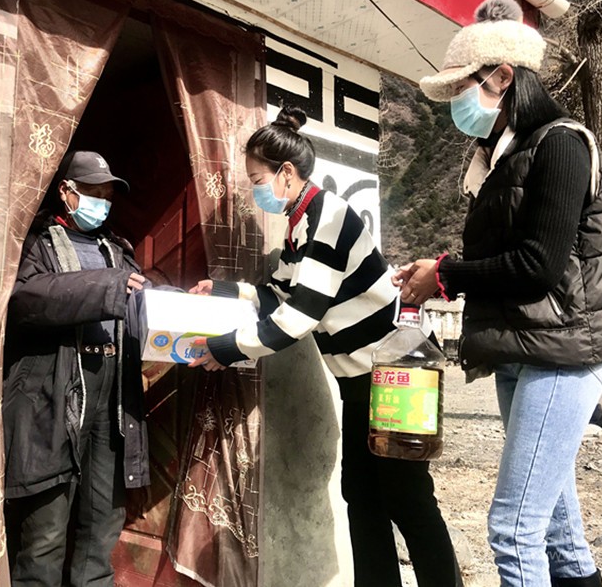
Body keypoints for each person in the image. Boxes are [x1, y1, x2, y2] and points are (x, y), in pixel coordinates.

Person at [393, 0, 602, 587]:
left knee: (513, 528)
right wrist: (440, 269)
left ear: (502, 77)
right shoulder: (500, 158)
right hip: (519, 346)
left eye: (462, 87)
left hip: (563, 351)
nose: (457, 102)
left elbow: (538, 266)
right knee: (559, 534)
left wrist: (445, 275)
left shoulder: (562, 145)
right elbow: (501, 260)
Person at [188, 107, 463, 587]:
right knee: (362, 494)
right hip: (361, 380)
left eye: (257, 180)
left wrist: (227, 349)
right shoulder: (298, 225)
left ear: (286, 173)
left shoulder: (329, 216)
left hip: (396, 373)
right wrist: (226, 291)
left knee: (408, 498)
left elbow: (300, 316)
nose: (255, 191)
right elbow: (278, 294)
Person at [2, 151, 150, 586]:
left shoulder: (116, 249)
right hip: (54, 395)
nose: (101, 202)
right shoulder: (38, 243)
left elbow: (137, 304)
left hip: (112, 396)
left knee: (102, 523)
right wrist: (106, 287)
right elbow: (26, 301)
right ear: (66, 191)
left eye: (107, 195)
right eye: (92, 192)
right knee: (45, 534)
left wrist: (178, 313)